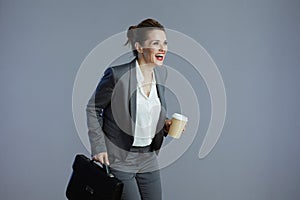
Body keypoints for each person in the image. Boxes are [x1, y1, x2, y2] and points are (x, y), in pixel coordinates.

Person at [86, 18, 173, 200]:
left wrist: (165, 126)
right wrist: (98, 147)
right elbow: (93, 108)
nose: (162, 48)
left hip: (148, 157)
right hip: (121, 157)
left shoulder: (161, 74)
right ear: (140, 47)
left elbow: (145, 114)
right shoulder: (117, 76)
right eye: (155, 43)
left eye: (164, 43)